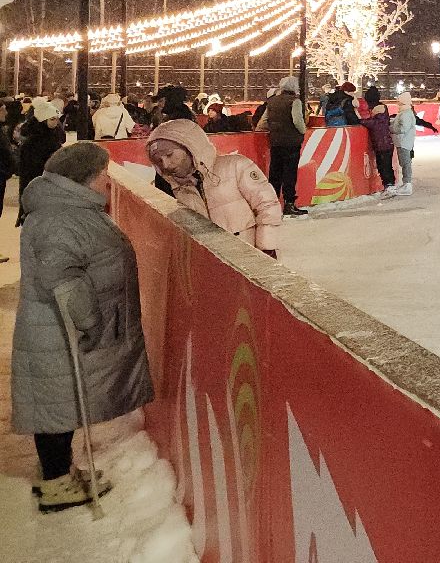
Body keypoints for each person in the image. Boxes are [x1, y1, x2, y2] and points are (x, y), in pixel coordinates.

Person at [12, 142, 155, 513]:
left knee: (60, 405)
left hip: (59, 330)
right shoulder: (60, 219)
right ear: (84, 179)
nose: (109, 181)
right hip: (59, 331)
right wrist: (89, 321)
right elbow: (65, 279)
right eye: (103, 174)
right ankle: (57, 483)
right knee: (55, 406)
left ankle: (59, 472)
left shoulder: (72, 210)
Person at [148, 120, 283, 256]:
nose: (166, 164)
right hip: (213, 266)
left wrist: (266, 248)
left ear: (189, 147)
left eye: (169, 155)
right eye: (159, 160)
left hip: (251, 257)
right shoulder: (175, 189)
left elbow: (267, 205)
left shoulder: (235, 166)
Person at [254, 76, 308, 218]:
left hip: (276, 142)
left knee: (275, 173)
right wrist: (303, 130)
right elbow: (297, 120)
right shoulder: (295, 102)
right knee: (289, 174)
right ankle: (289, 204)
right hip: (291, 143)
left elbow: (263, 122)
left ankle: (272, 203)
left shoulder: (272, 102)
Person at [15, 99, 66, 226]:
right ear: (43, 120)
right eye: (52, 119)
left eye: (56, 118)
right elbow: (28, 172)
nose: (56, 122)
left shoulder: (50, 137)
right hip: (39, 190)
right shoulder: (33, 143)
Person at [390, 91, 435, 196]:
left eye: (399, 101)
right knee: (405, 163)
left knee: (405, 163)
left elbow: (403, 128)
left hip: (404, 141)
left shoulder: (405, 113)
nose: (398, 103)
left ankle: (407, 184)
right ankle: (406, 183)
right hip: (404, 141)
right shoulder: (405, 112)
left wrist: (391, 128)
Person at [363, 100, 397, 195]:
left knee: (383, 167)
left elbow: (363, 122)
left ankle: (389, 186)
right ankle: (390, 185)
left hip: (381, 147)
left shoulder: (375, 121)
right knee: (387, 166)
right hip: (388, 145)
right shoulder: (385, 119)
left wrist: (357, 114)